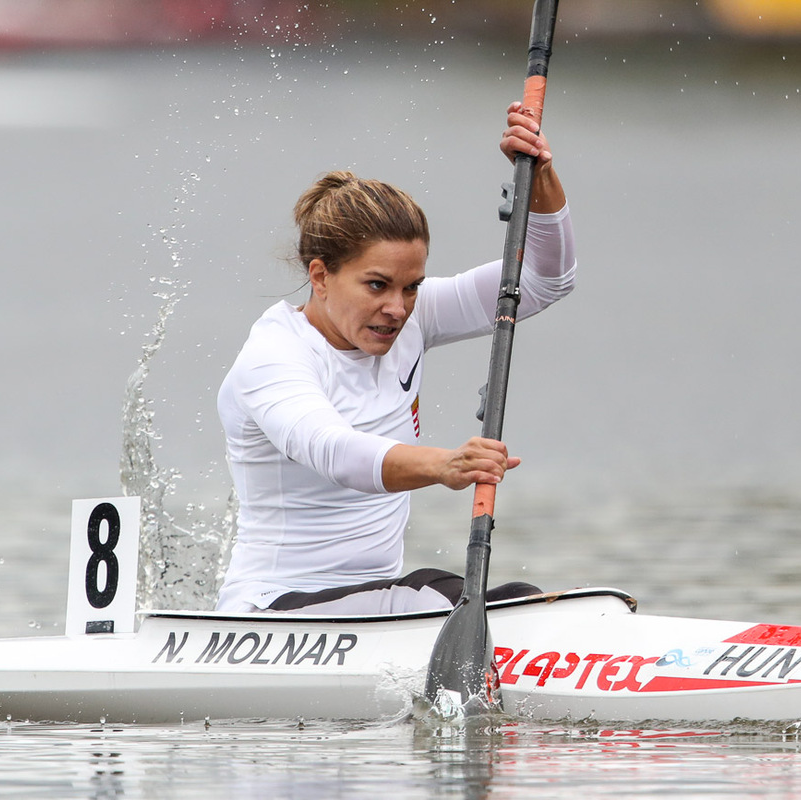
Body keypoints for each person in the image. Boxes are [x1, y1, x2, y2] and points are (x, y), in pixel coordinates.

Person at [215, 101, 576, 615]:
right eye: (377, 286)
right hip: (275, 611)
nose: (397, 309)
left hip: (373, 602)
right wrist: (445, 464)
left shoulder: (413, 316)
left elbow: (544, 281)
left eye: (412, 288)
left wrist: (539, 176)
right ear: (320, 276)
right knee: (486, 605)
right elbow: (336, 452)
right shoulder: (273, 358)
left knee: (523, 602)